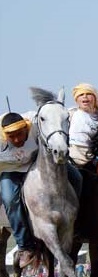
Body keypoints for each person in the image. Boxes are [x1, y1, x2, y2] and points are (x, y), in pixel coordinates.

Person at [1, 111, 38, 268]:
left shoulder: (35, 128)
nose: (17, 140)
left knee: (76, 177)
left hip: (35, 166)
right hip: (8, 172)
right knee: (9, 198)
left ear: (26, 129)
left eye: (20, 135)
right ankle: (24, 246)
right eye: (12, 137)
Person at [68, 83, 98, 167]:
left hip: (91, 157)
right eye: (81, 94)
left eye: (88, 94)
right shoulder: (70, 114)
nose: (85, 96)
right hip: (71, 154)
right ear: (76, 100)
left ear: (95, 98)